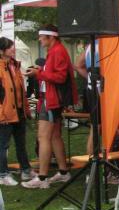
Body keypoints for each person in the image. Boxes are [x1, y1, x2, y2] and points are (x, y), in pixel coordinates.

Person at [22, 25, 78, 190]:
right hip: (52, 99)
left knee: (43, 137)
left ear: (51, 37)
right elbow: (55, 73)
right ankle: (63, 172)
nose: (39, 39)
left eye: (41, 37)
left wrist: (38, 74)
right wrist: (40, 70)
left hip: (52, 100)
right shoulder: (55, 50)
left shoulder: (57, 51)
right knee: (54, 137)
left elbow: (60, 77)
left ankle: (42, 177)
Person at [0, 37, 35, 186]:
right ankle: (3, 174)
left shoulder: (15, 65)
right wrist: (1, 113)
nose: (13, 49)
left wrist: (26, 109)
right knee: (3, 145)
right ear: (2, 51)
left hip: (19, 112)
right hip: (5, 114)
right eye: (10, 47)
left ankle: (26, 170)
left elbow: (21, 90)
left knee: (21, 143)